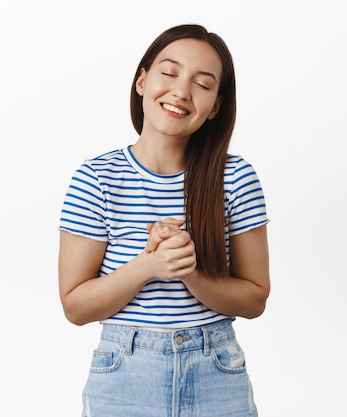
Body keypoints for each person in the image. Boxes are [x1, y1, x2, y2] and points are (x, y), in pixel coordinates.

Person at [57, 23, 270, 417]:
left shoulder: (235, 178)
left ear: (216, 107)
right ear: (142, 81)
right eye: (169, 73)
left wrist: (188, 272)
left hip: (217, 373)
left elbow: (255, 298)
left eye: (203, 84)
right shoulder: (96, 178)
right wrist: (149, 265)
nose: (181, 92)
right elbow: (75, 307)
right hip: (124, 376)